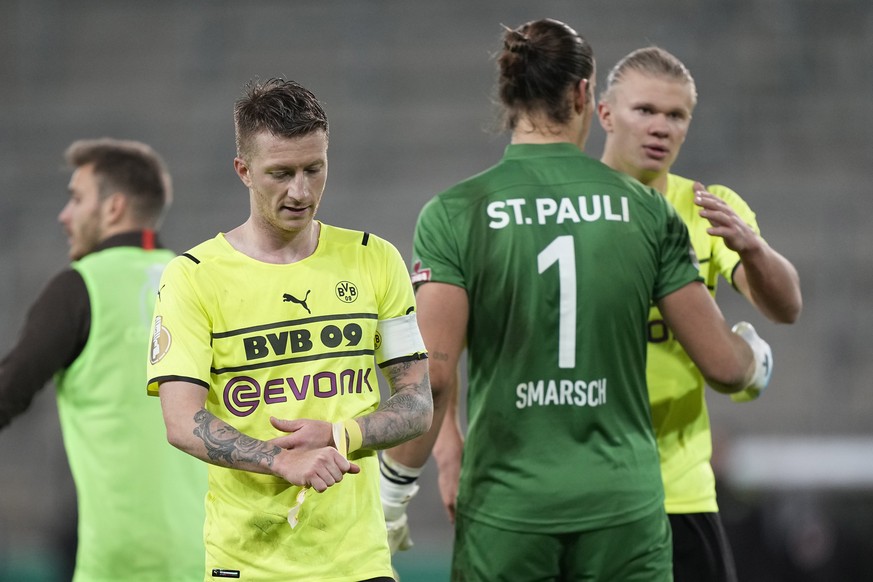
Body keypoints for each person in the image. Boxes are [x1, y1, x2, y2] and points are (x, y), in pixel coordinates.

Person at [381, 18, 774, 581]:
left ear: (508, 95)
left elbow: (435, 380)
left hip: (508, 506)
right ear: (585, 94)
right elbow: (723, 366)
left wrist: (394, 492)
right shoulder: (646, 210)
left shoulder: (455, 212)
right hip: (623, 506)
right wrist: (754, 359)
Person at [146, 78, 433, 582]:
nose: (300, 191)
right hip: (247, 563)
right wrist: (280, 461)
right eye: (280, 173)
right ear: (244, 171)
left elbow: (417, 402)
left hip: (358, 562)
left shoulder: (376, 259)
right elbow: (181, 421)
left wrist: (343, 435)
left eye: (313, 169)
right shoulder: (194, 275)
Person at [596, 46, 802, 581]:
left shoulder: (708, 207)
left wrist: (753, 249)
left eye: (676, 115)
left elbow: (785, 307)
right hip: (584, 483)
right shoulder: (564, 210)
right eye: (645, 110)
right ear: (605, 113)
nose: (661, 126)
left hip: (679, 487)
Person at [0, 138, 207, 581]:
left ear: (112, 209)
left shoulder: (80, 287)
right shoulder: (201, 283)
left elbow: (7, 392)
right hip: (208, 555)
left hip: (120, 562)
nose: (64, 215)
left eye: (76, 199)